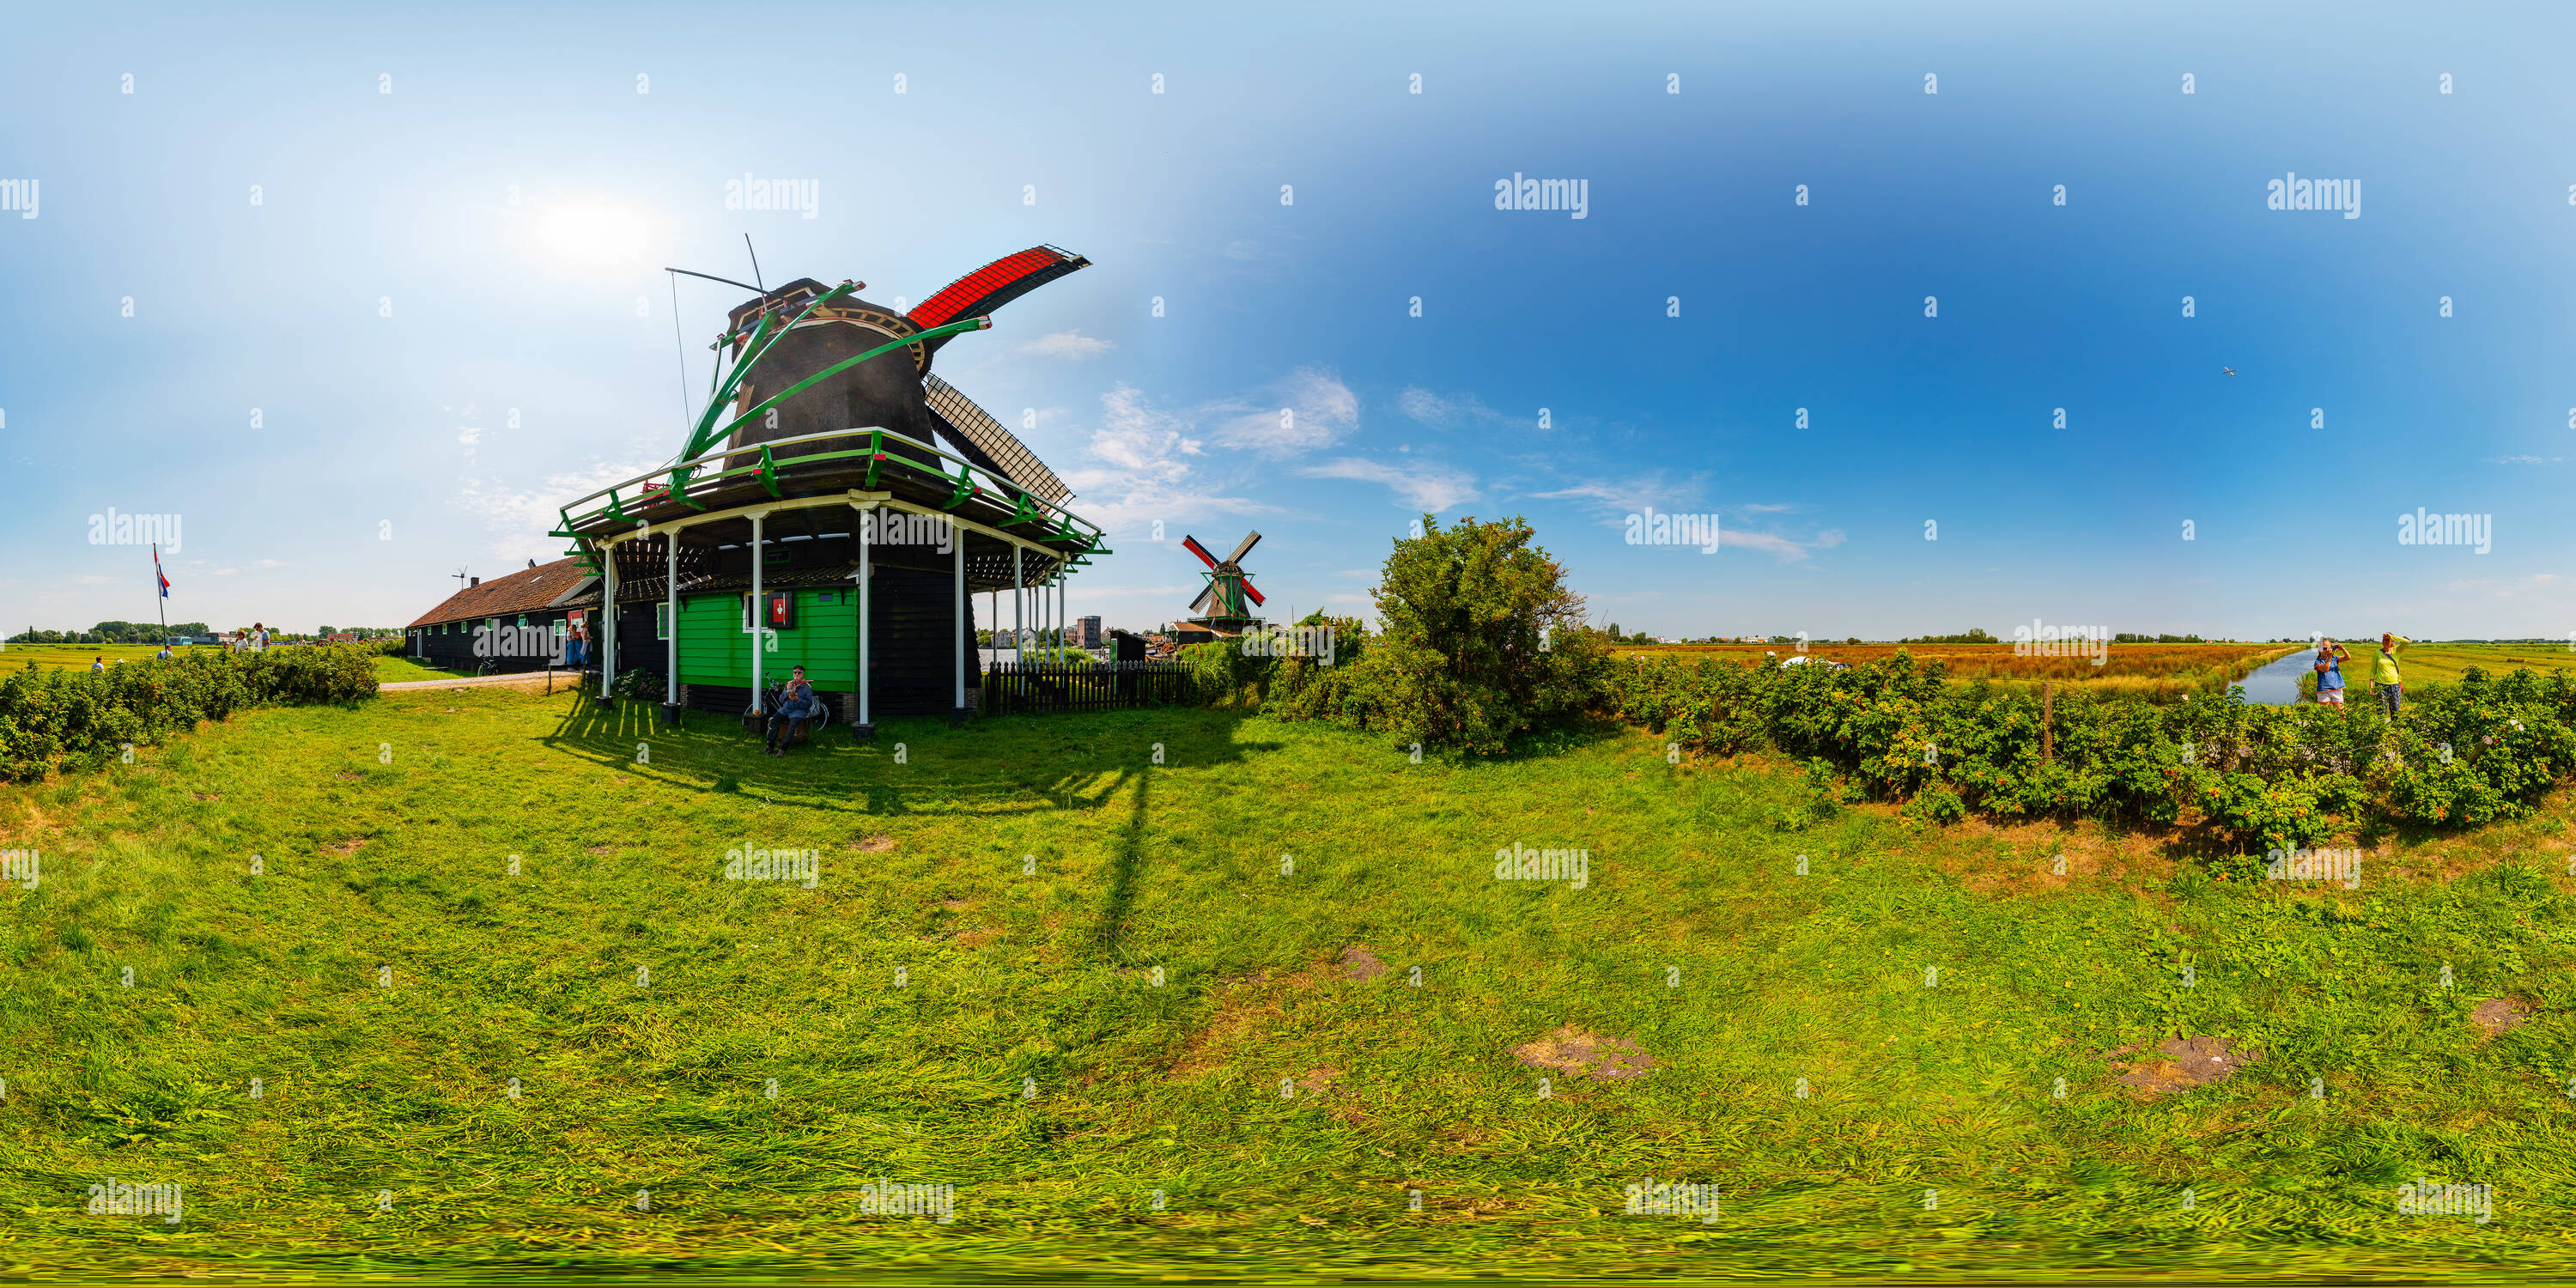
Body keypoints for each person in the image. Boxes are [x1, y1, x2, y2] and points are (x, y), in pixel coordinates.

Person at [769, 665, 825, 754]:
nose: (797, 674)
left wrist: (797, 699)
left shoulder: (807, 687)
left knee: (792, 726)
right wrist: (788, 691)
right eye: (795, 672)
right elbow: (781, 700)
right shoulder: (789, 684)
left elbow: (808, 704)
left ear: (803, 674)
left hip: (799, 711)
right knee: (773, 721)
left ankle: (783, 749)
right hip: (786, 709)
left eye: (799, 673)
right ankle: (770, 747)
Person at [2372, 632, 2409, 717]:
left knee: (2395, 710)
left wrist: (2392, 637)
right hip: (2380, 685)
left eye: (2387, 640)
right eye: (2383, 639)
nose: (2385, 641)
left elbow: (2407, 642)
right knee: (2381, 711)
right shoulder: (2377, 653)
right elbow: (2372, 670)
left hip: (2394, 685)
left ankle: (2396, 729)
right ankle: (2381, 729)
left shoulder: (2397, 651)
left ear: (2392, 641)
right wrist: (2371, 685)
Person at [2312, 638, 2350, 706]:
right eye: (2324, 648)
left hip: (2337, 688)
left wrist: (2342, 648)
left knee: (2341, 713)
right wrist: (2329, 657)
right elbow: (2325, 669)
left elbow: (2348, 657)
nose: (2326, 650)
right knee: (2325, 714)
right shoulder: (2318, 662)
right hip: (2323, 691)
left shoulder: (2334, 659)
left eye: (2329, 648)